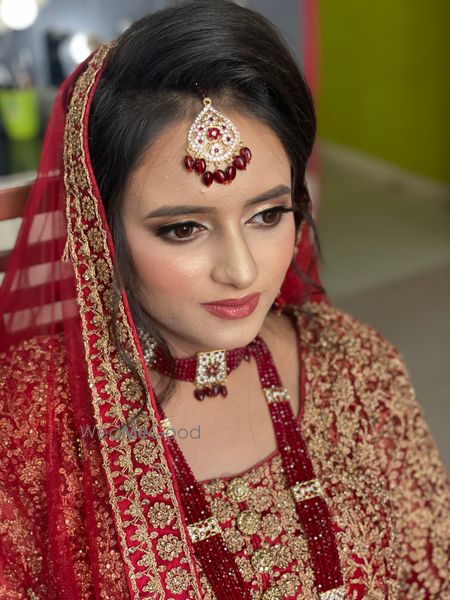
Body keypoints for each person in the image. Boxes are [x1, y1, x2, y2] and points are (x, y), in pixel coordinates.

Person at [0, 1, 449, 598]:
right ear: (98, 228)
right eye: (184, 228)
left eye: (267, 214)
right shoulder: (27, 421)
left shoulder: (357, 367)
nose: (242, 272)